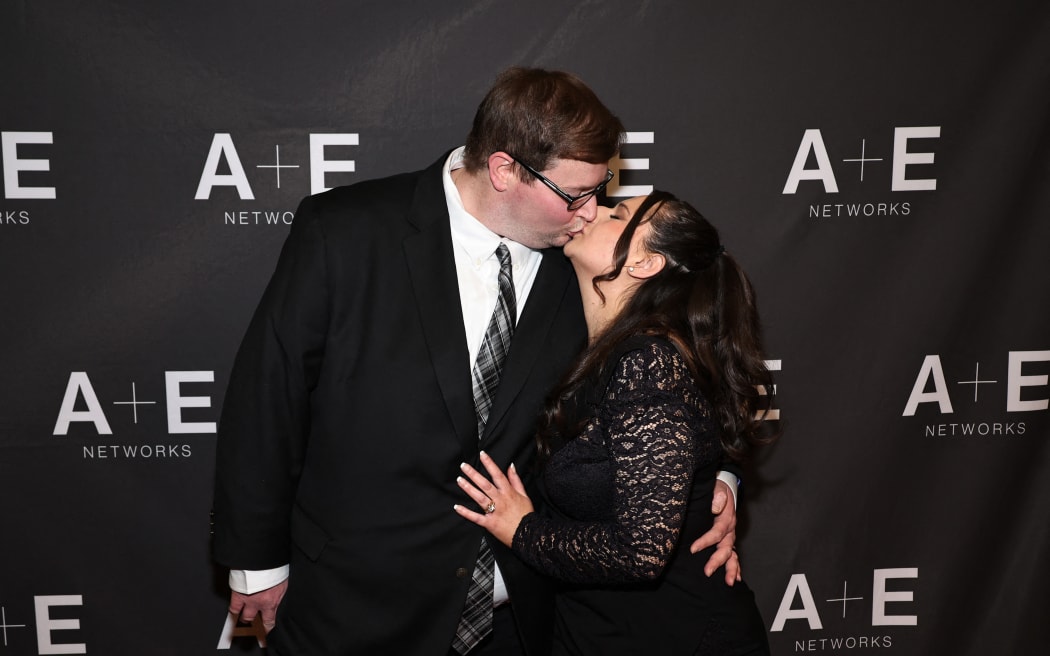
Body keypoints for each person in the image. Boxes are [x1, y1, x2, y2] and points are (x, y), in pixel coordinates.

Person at [212, 68, 742, 656]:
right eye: (577, 195)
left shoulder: (585, 267)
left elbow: (678, 371)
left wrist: (715, 484)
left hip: (522, 614)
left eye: (601, 193)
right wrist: (256, 564)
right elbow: (268, 400)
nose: (591, 213)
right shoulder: (346, 232)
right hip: (359, 603)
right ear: (505, 170)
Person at [455, 192, 778, 654]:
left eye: (617, 214)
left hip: (673, 636)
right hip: (593, 630)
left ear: (645, 264)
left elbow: (642, 550)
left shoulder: (647, 360)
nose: (591, 211)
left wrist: (521, 529)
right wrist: (722, 482)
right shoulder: (597, 338)